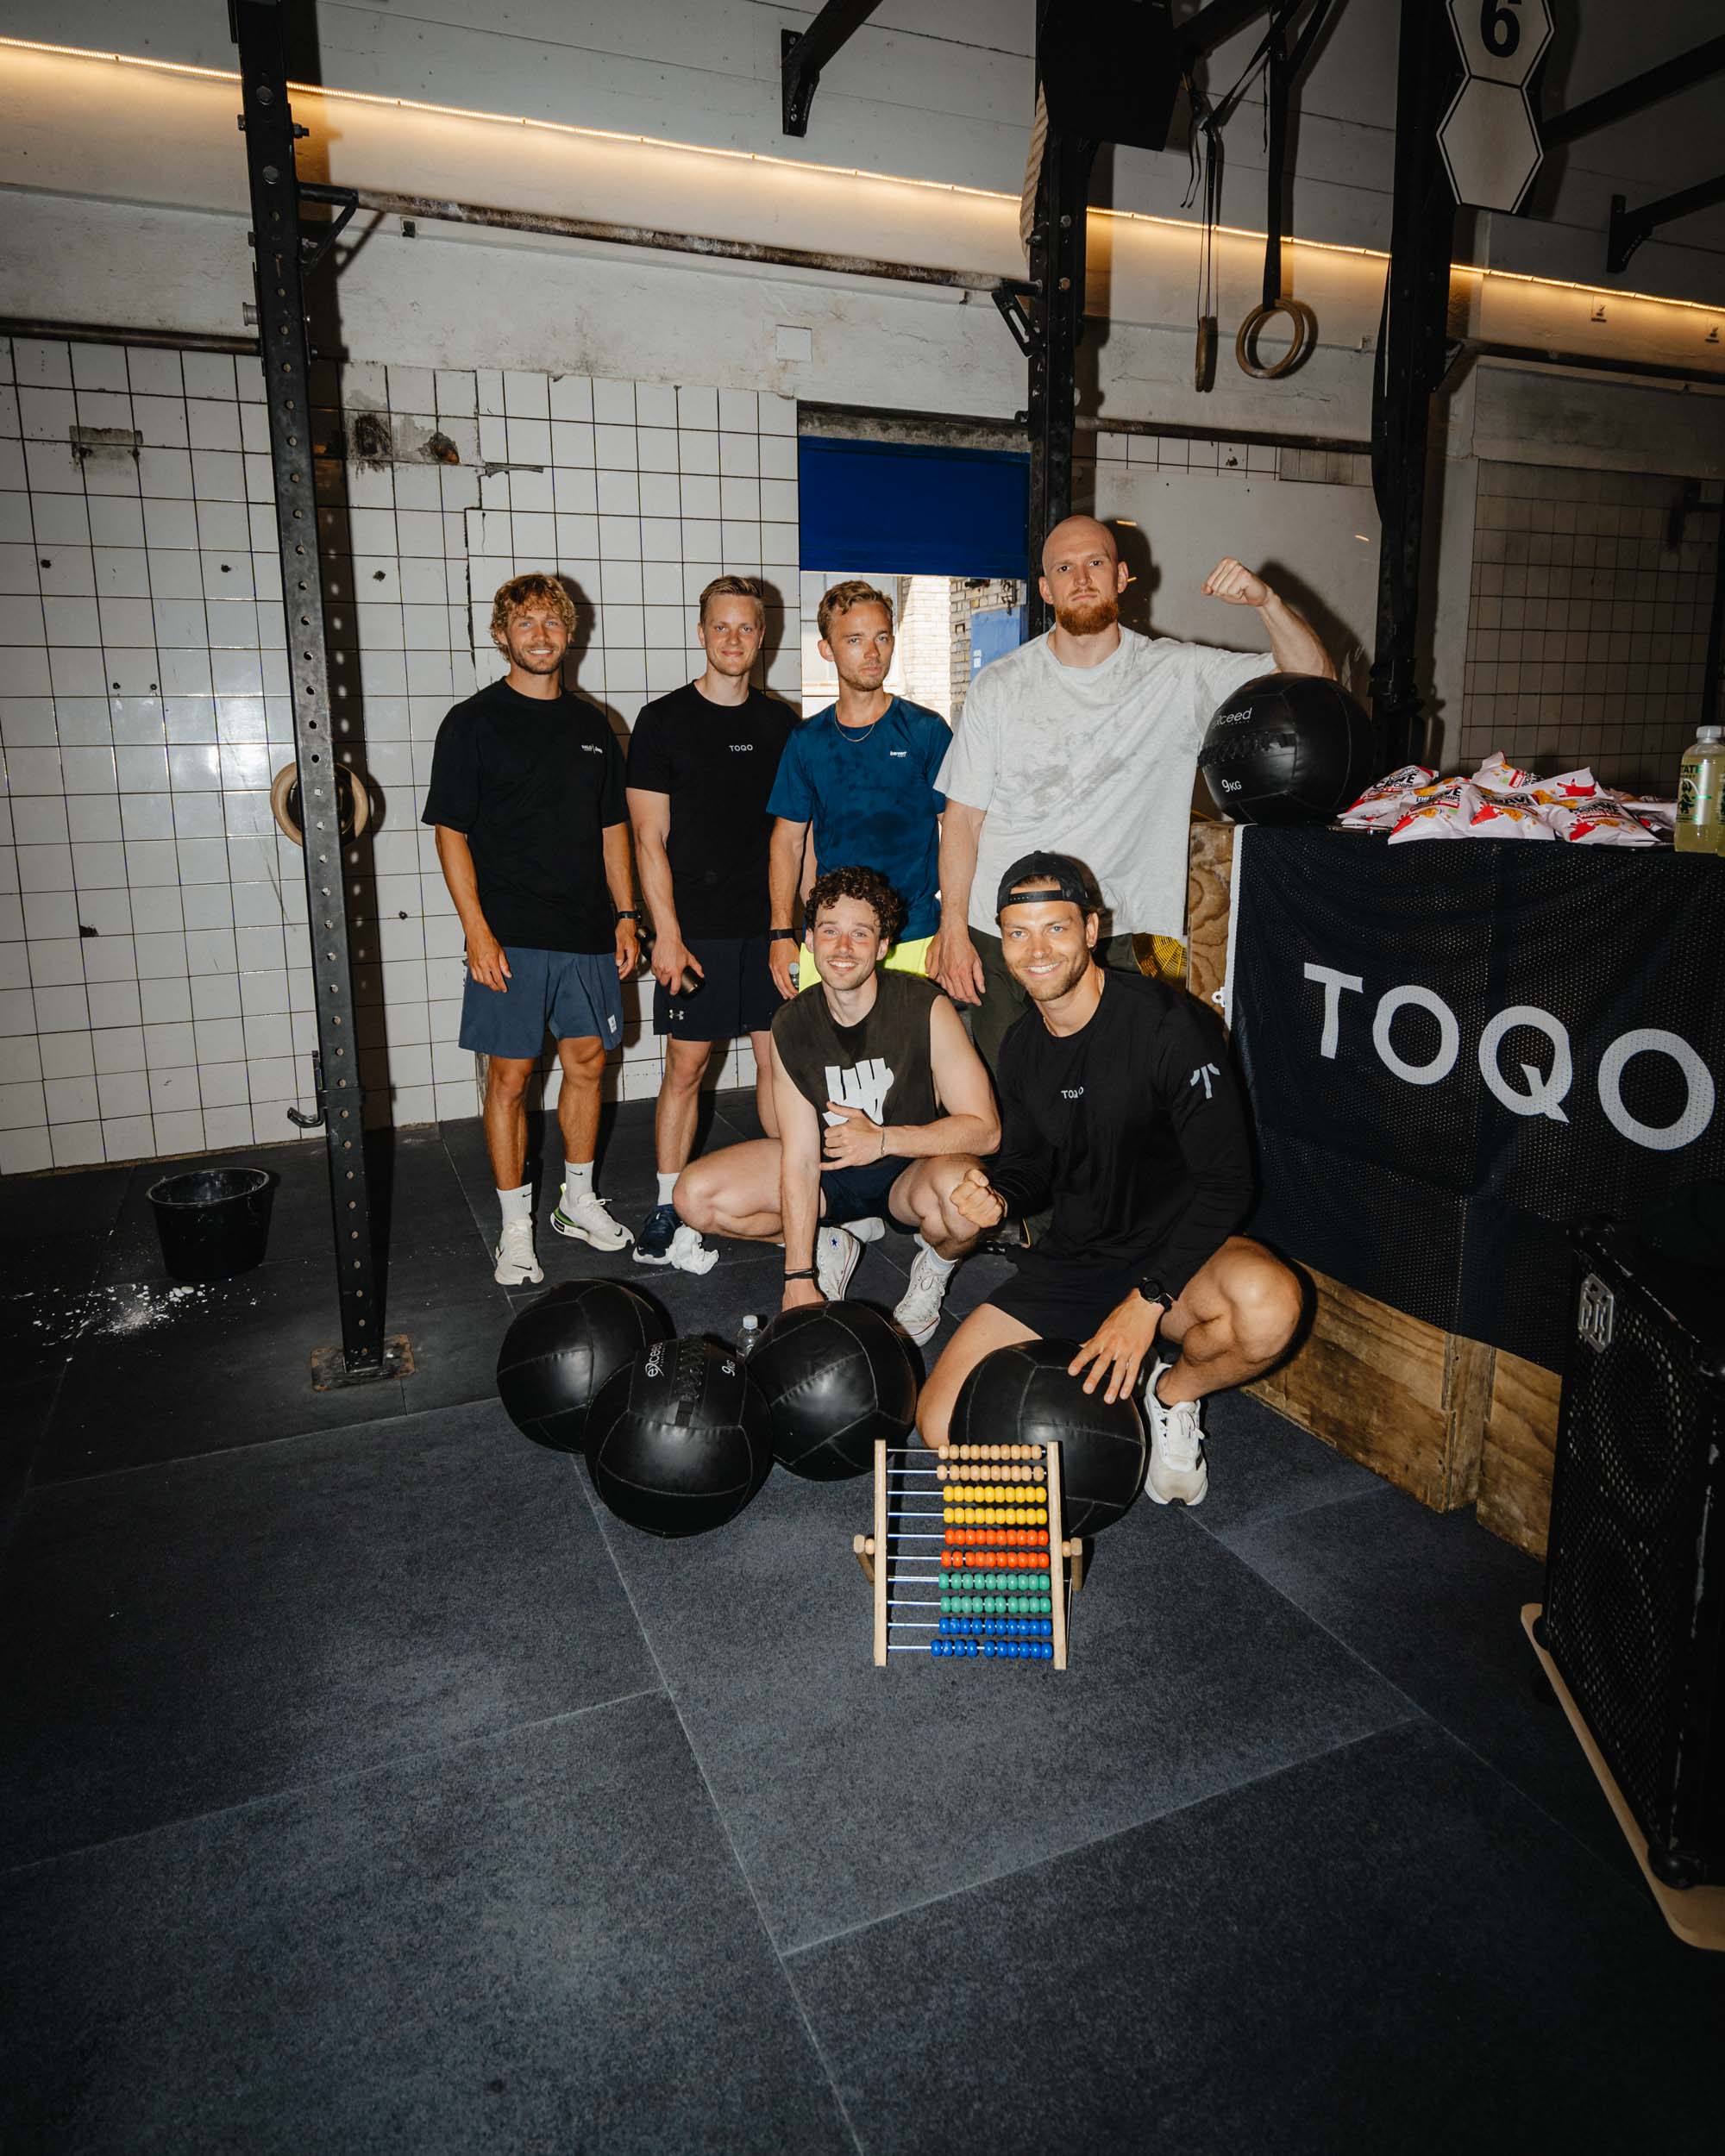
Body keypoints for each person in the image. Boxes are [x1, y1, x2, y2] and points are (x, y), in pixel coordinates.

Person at [919, 854, 1302, 1505]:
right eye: (1018, 933)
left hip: (1181, 1257)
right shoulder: (1021, 1046)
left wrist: (1147, 1301)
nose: (1037, 950)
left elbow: (1228, 1184)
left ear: (1092, 930)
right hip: (1078, 1258)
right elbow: (1032, 1162)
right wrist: (1000, 1194)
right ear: (1002, 942)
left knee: (1270, 1307)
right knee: (942, 1426)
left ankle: (1170, 1395)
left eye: (1057, 929)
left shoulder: (1170, 1027)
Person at [927, 516, 1335, 1071]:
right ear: (1046, 590)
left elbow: (1314, 680)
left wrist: (1266, 601)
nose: (1081, 578)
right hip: (1008, 930)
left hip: (1117, 931)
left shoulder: (1177, 673)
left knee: (1112, 1096)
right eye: (1063, 569)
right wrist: (952, 927)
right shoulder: (1001, 685)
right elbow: (963, 819)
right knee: (1013, 1098)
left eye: (1094, 563)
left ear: (1121, 576)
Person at [674, 866, 1000, 1345]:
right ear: (809, 940)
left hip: (912, 1172)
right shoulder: (791, 1023)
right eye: (830, 931)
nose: (843, 948)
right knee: (694, 1198)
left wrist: (885, 1139)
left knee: (965, 1201)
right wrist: (797, 1278)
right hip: (830, 1175)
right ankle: (828, 1241)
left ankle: (933, 1268)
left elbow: (985, 1130)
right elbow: (800, 1159)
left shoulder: (925, 1007)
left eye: (860, 933)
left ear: (883, 945)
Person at [423, 573, 637, 1285]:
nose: (541, 635)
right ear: (501, 635)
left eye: (552, 622)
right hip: (509, 935)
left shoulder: (592, 726)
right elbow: (450, 833)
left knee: (586, 1067)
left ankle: (577, 1201)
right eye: (526, 623)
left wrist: (627, 916)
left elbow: (614, 832)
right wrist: (476, 931)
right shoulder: (472, 722)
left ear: (569, 633)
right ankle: (516, 1227)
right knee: (510, 1080)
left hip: (586, 935)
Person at [625, 575, 794, 1274]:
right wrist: (664, 931)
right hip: (694, 931)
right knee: (687, 1067)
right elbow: (647, 840)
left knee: (776, 1064)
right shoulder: (662, 721)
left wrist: (798, 928)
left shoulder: (782, 725)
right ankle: (668, 1202)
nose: (733, 639)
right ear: (701, 634)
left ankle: (797, 1188)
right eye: (720, 627)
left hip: (768, 929)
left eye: (746, 628)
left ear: (763, 637)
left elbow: (796, 835)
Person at [764, 580, 949, 1001]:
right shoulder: (807, 741)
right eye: (855, 639)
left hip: (916, 937)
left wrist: (954, 927)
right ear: (827, 649)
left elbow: (959, 833)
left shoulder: (926, 731)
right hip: (833, 943)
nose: (872, 652)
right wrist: (782, 932)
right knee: (824, 1063)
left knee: (917, 1065)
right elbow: (789, 843)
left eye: (882, 637)